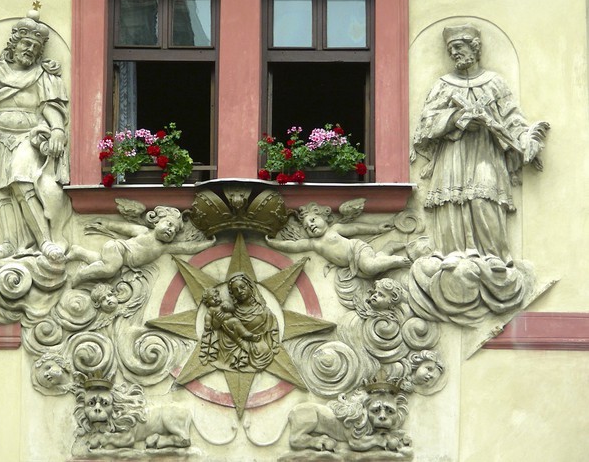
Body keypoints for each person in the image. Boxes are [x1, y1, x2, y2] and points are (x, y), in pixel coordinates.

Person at [411, 24, 549, 262]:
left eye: (458, 47)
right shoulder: (443, 85)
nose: (453, 53)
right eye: (450, 49)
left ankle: (494, 256)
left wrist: (526, 139)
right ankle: (452, 253)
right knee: (451, 201)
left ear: (474, 48)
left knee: (484, 198)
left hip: (486, 151)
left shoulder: (494, 83)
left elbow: (512, 118)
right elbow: (426, 123)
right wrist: (456, 118)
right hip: (452, 153)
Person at [0, 6, 70, 262]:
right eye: (26, 43)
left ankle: (44, 241)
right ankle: (9, 243)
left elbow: (49, 106)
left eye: (35, 47)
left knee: (21, 180)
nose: (30, 49)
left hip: (28, 136)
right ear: (14, 44)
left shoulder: (42, 75)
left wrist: (57, 129)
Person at [68, 206, 215, 285]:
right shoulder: (144, 231)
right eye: (169, 224)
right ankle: (81, 275)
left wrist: (207, 244)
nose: (171, 230)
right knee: (110, 269)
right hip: (118, 248)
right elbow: (123, 228)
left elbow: (187, 248)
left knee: (103, 263)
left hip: (123, 259)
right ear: (156, 222)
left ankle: (79, 252)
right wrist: (107, 223)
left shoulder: (164, 248)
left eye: (175, 231)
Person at [265, 202, 411, 278]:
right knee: (370, 270)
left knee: (370, 267)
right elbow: (293, 246)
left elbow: (356, 228)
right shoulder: (313, 243)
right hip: (352, 263)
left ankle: (396, 260)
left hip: (357, 249)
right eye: (307, 227)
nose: (311, 225)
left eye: (313, 220)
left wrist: (377, 228)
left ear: (324, 218)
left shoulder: (334, 229)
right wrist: (274, 243)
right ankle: (388, 248)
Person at [214, 273, 280, 372]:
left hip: (258, 345)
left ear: (250, 287)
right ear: (232, 294)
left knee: (264, 350)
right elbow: (222, 329)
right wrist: (218, 322)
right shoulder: (232, 312)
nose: (240, 291)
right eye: (235, 290)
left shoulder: (264, 312)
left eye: (242, 287)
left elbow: (272, 332)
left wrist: (273, 343)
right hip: (234, 347)